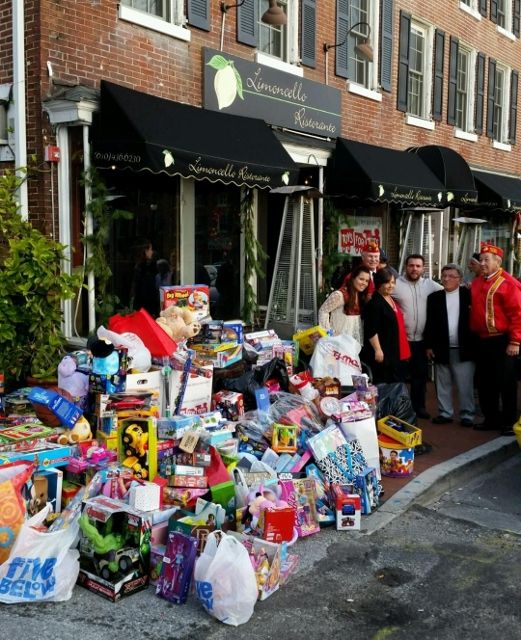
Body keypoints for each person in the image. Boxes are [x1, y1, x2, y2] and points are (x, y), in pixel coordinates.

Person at [470, 243, 521, 435]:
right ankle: (491, 418)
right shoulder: (477, 282)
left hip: (502, 340)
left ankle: (508, 421)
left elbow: (518, 314)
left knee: (506, 382)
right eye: (481, 260)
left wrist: (515, 341)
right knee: (484, 382)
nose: (482, 263)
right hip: (482, 340)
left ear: (498, 262)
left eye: (486, 260)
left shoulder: (508, 283)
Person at [424, 263, 476, 427]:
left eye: (450, 276)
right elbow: (430, 323)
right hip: (441, 347)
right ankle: (445, 413)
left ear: (459, 279)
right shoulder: (434, 298)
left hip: (465, 347)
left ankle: (467, 414)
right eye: (444, 276)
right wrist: (429, 345)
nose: (446, 279)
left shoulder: (469, 295)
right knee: (442, 383)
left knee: (465, 384)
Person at [392, 254, 443, 419]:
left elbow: (449, 289)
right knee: (398, 377)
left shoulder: (430, 285)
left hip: (421, 341)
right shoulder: (396, 284)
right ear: (405, 267)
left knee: (419, 377)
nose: (414, 269)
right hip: (401, 340)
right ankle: (398, 409)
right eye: (411, 265)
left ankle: (419, 407)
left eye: (418, 266)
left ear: (423, 268)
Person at [361, 268, 411, 384]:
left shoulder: (390, 298)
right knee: (386, 385)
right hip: (384, 353)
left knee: (397, 383)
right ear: (379, 283)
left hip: (395, 350)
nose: (391, 285)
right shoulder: (375, 303)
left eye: (393, 282)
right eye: (387, 282)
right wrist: (378, 350)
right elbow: (371, 329)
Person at [318, 265, 371, 345]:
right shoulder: (339, 295)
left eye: (367, 281)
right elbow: (323, 311)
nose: (364, 283)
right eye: (361, 279)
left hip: (351, 344)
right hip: (336, 343)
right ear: (353, 278)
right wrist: (329, 334)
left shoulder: (360, 296)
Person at [131, 240, 159, 317]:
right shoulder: (145, 268)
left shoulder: (140, 266)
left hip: (142, 305)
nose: (152, 252)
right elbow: (148, 290)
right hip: (146, 306)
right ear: (145, 251)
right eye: (150, 249)